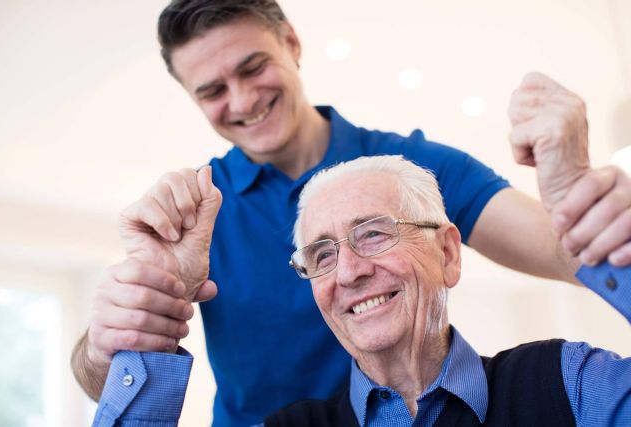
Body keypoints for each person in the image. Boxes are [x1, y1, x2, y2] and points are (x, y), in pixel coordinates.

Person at [71, 1, 631, 425]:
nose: (241, 102)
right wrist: (110, 342)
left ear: (291, 43)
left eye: (253, 67)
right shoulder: (196, 214)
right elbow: (106, 375)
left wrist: (580, 197)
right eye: (213, 90)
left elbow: (569, 252)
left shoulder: (414, 168)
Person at [91, 155, 630, 427]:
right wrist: (157, 307)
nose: (348, 271)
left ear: (447, 253)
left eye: (373, 233)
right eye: (322, 254)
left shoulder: (568, 383)